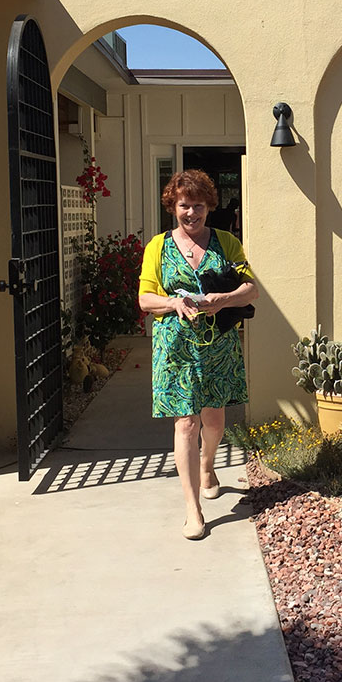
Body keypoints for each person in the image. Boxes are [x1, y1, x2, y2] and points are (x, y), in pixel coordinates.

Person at [137, 169, 258, 540]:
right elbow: (144, 300)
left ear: (209, 206)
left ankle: (208, 465)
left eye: (198, 205)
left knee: (215, 422)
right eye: (184, 205)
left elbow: (251, 289)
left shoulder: (226, 243)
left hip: (218, 347)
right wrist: (173, 302)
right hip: (174, 348)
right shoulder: (158, 247)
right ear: (173, 206)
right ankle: (194, 510)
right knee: (186, 423)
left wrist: (221, 299)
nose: (191, 213)